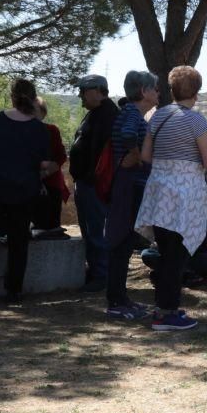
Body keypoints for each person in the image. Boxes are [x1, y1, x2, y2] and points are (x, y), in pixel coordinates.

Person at [135, 66, 207, 331]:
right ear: (196, 91)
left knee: (166, 252)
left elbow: (146, 156)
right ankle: (167, 314)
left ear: (170, 89)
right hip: (184, 195)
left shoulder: (156, 117)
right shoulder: (196, 121)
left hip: (159, 192)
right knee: (177, 257)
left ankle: (162, 308)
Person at [0, 79, 54, 303]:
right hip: (23, 190)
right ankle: (14, 290)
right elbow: (45, 164)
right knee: (19, 241)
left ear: (12, 97)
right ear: (34, 98)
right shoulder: (38, 128)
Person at [104, 70, 158, 320]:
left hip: (130, 185)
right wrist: (135, 155)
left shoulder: (132, 113)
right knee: (121, 243)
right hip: (128, 186)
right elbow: (127, 135)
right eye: (155, 88)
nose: (158, 93)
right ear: (144, 91)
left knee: (125, 244)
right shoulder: (132, 114)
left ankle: (122, 298)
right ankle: (116, 301)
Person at [70, 74, 118, 292]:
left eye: (83, 91)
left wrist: (92, 177)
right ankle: (96, 271)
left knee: (97, 231)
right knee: (90, 231)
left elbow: (102, 153)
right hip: (87, 183)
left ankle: (102, 275)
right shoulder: (95, 114)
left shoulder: (107, 114)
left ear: (98, 90)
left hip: (95, 185)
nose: (80, 95)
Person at [30, 98, 70, 234]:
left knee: (51, 226)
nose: (31, 113)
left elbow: (61, 156)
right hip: (26, 184)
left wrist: (45, 173)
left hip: (51, 183)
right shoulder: (19, 130)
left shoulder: (51, 130)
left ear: (43, 112)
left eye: (34, 110)